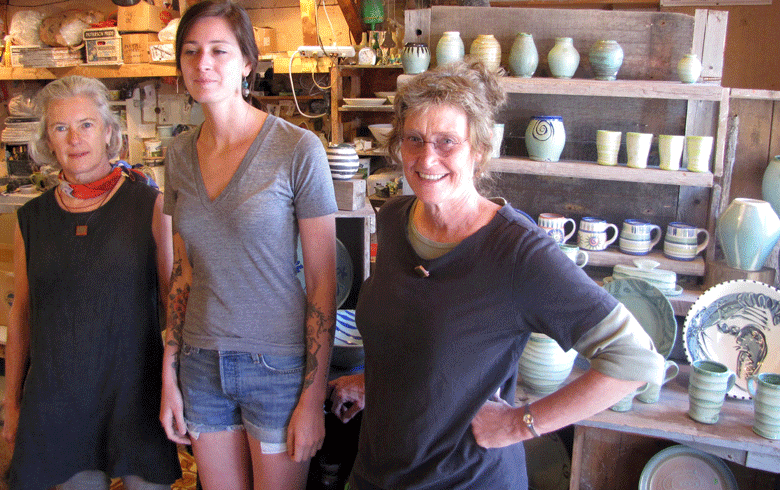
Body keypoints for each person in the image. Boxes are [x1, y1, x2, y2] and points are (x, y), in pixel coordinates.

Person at [328, 60, 666, 490]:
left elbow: (634, 359)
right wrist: (373, 380)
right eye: (414, 139)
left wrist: (517, 424)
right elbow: (420, 333)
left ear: (479, 151)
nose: (426, 157)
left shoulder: (517, 251)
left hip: (466, 480)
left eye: (447, 142)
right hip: (377, 473)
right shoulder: (394, 219)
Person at [158, 2, 338, 489]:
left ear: (246, 64)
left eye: (219, 50)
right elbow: (183, 274)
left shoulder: (298, 150)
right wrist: (169, 375)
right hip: (199, 363)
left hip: (277, 366)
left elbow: (324, 282)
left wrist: (312, 398)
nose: (203, 64)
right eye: (191, 52)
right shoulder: (177, 154)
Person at [2, 75, 180, 490]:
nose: (74, 139)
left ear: (107, 132)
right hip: (60, 396)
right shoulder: (32, 219)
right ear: (47, 141)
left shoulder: (149, 206)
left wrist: (178, 386)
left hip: (135, 394)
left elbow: (176, 304)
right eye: (60, 128)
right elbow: (21, 314)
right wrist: (11, 403)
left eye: (85, 124)